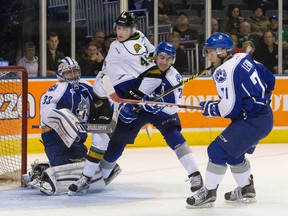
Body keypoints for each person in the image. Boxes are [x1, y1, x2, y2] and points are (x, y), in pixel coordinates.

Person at [69, 41, 204, 196]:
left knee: (174, 135)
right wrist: (122, 107)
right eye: (161, 57)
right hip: (138, 110)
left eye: (169, 59)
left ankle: (195, 175)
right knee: (118, 140)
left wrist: (160, 105)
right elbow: (118, 91)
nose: (164, 62)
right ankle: (99, 176)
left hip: (161, 112)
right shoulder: (140, 69)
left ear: (173, 60)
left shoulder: (175, 78)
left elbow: (174, 107)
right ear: (155, 56)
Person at [68, 11, 157, 195]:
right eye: (118, 28)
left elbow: (151, 62)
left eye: (124, 28)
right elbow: (109, 76)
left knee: (111, 137)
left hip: (116, 94)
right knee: (101, 137)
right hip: (104, 92)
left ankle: (96, 175)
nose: (120, 32)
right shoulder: (127, 43)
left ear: (132, 29)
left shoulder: (134, 44)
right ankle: (92, 175)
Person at [185, 33, 275, 208]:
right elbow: (270, 80)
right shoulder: (244, 57)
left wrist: (211, 108)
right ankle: (247, 188)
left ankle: (209, 192)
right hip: (264, 117)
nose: (208, 56)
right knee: (233, 154)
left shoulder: (223, 71)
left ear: (222, 52)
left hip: (252, 121)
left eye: (211, 52)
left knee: (216, 150)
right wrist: (257, 99)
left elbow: (229, 108)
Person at [22, 57, 103, 195]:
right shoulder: (57, 88)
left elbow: (101, 102)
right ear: (61, 74)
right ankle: (39, 174)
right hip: (55, 137)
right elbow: (46, 113)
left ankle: (43, 169)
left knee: (80, 165)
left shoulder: (86, 86)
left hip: (77, 139)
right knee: (64, 166)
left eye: (75, 71)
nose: (74, 75)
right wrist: (65, 121)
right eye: (69, 72)